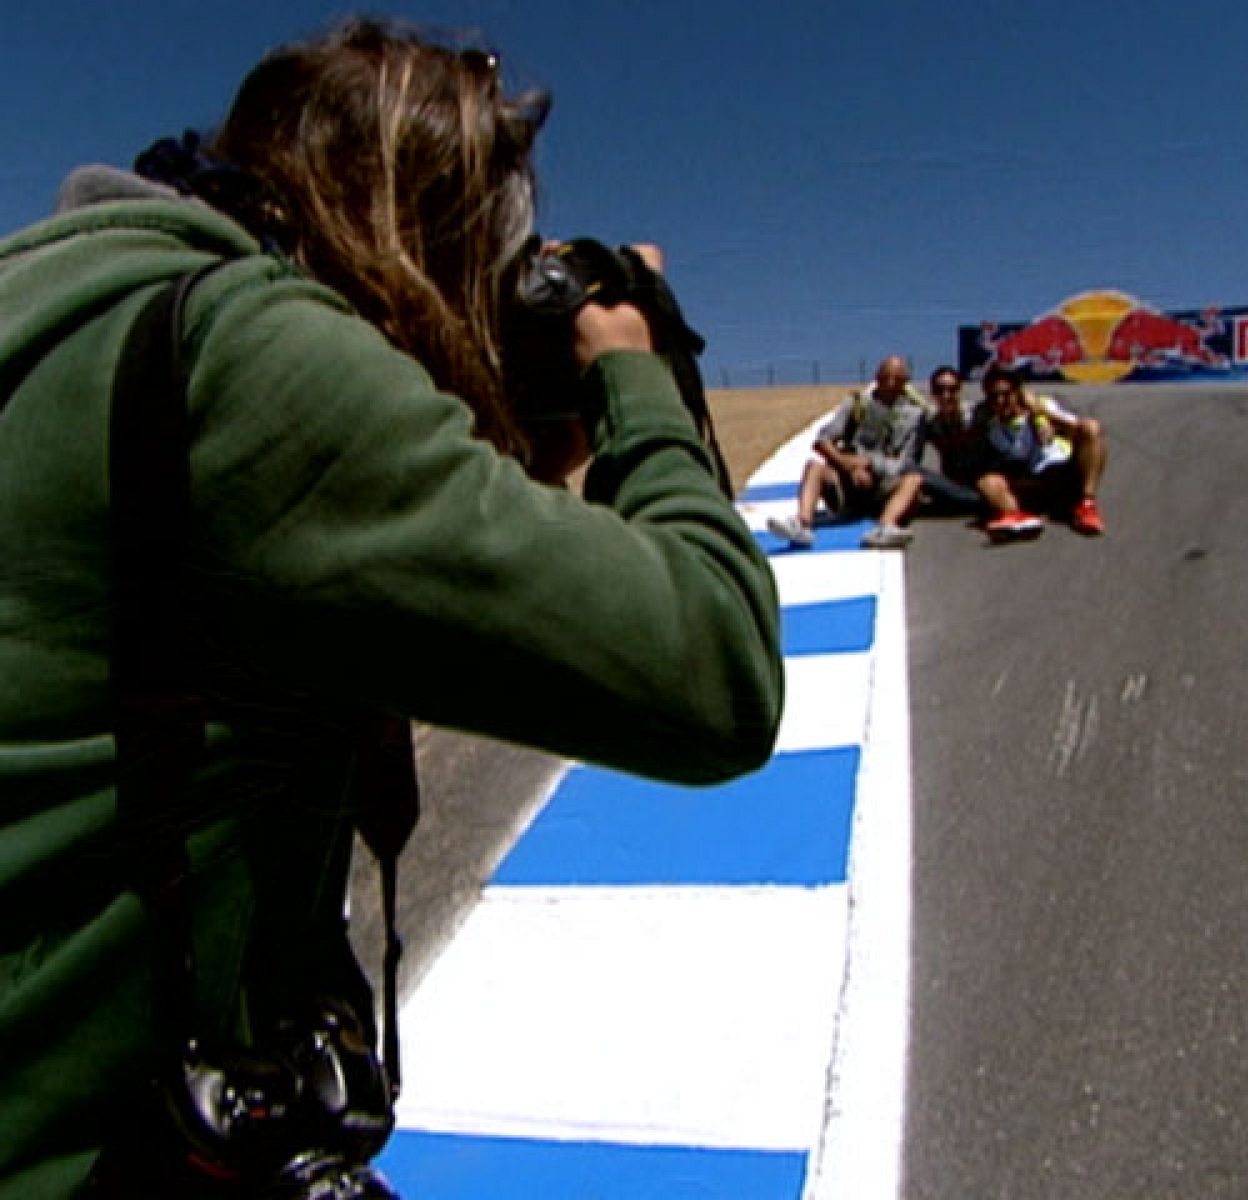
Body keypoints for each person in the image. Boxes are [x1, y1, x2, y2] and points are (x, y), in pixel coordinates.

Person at [0, 19, 783, 1198]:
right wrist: (638, 376)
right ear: (410, 230)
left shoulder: (72, 300)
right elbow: (716, 671)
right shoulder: (254, 356)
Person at [767, 355, 926, 549]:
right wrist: (847, 466)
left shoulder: (915, 416)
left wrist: (869, 464)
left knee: (914, 479)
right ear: (877, 378)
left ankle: (885, 527)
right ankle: (802, 524)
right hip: (847, 485)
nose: (891, 384)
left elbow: (907, 462)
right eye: (886, 377)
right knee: (814, 467)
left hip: (883, 487)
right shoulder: (856, 405)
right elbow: (822, 441)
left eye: (897, 379)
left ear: (905, 383)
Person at [972, 363, 1108, 541]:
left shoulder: (1043, 405)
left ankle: (1087, 504)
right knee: (987, 482)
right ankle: (1018, 518)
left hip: (1066, 470)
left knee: (1093, 427)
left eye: (1006, 394)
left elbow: (1082, 431)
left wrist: (1046, 416)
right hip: (1038, 481)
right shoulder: (995, 430)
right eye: (993, 396)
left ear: (1018, 392)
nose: (999, 401)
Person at [915, 365, 987, 516]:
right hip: (952, 487)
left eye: (952, 389)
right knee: (909, 470)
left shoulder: (977, 414)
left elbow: (1016, 396)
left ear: (960, 390)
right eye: (939, 390)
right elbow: (914, 455)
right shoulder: (932, 422)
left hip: (981, 488)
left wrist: (1040, 418)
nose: (946, 395)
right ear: (933, 393)